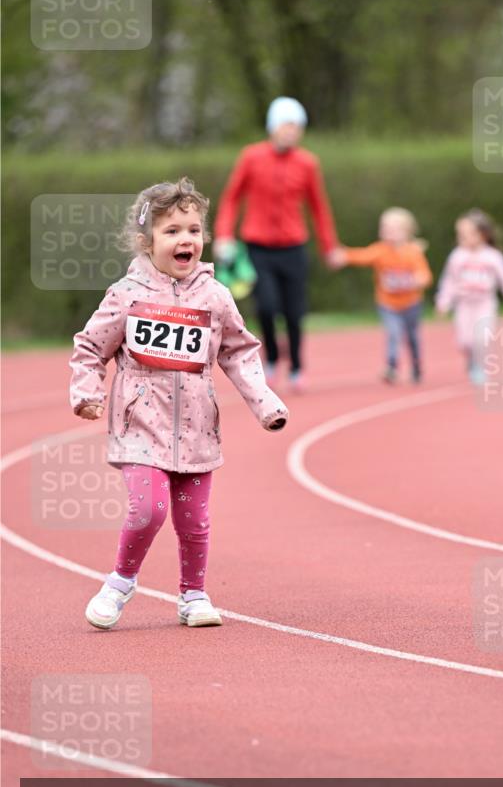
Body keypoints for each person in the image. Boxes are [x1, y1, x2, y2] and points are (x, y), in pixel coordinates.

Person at [69, 178, 288, 630]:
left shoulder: (215, 297)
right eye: (172, 231)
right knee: (148, 509)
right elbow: (92, 347)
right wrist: (87, 392)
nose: (185, 239)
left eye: (193, 229)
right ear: (147, 240)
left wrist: (265, 403)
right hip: (139, 424)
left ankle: (193, 596)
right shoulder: (126, 294)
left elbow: (238, 351)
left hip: (197, 427)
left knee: (194, 522)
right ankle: (120, 583)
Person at [214, 97, 340, 392]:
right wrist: (224, 235)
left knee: (295, 312)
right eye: (286, 124)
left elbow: (318, 207)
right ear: (273, 127)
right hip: (258, 247)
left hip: (294, 247)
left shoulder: (307, 163)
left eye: (297, 126)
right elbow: (231, 197)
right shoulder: (251, 157)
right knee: (267, 307)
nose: (291, 131)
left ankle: (296, 365)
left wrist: (329, 246)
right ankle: (271, 357)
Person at [331, 208, 433, 383]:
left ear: (406, 232)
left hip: (411, 304)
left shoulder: (413, 252)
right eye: (385, 228)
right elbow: (362, 256)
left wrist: (419, 280)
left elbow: (425, 275)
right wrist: (344, 255)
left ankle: (416, 366)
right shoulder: (380, 250)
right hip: (388, 304)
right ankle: (392, 367)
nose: (388, 233)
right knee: (393, 333)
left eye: (393, 229)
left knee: (412, 336)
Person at [435, 209, 503, 384]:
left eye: (469, 234)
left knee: (482, 338)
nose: (463, 238)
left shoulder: (493, 257)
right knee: (465, 341)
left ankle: (479, 367)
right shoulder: (457, 257)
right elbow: (448, 281)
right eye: (460, 234)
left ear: (483, 234)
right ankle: (472, 359)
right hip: (464, 305)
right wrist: (443, 302)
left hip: (485, 304)